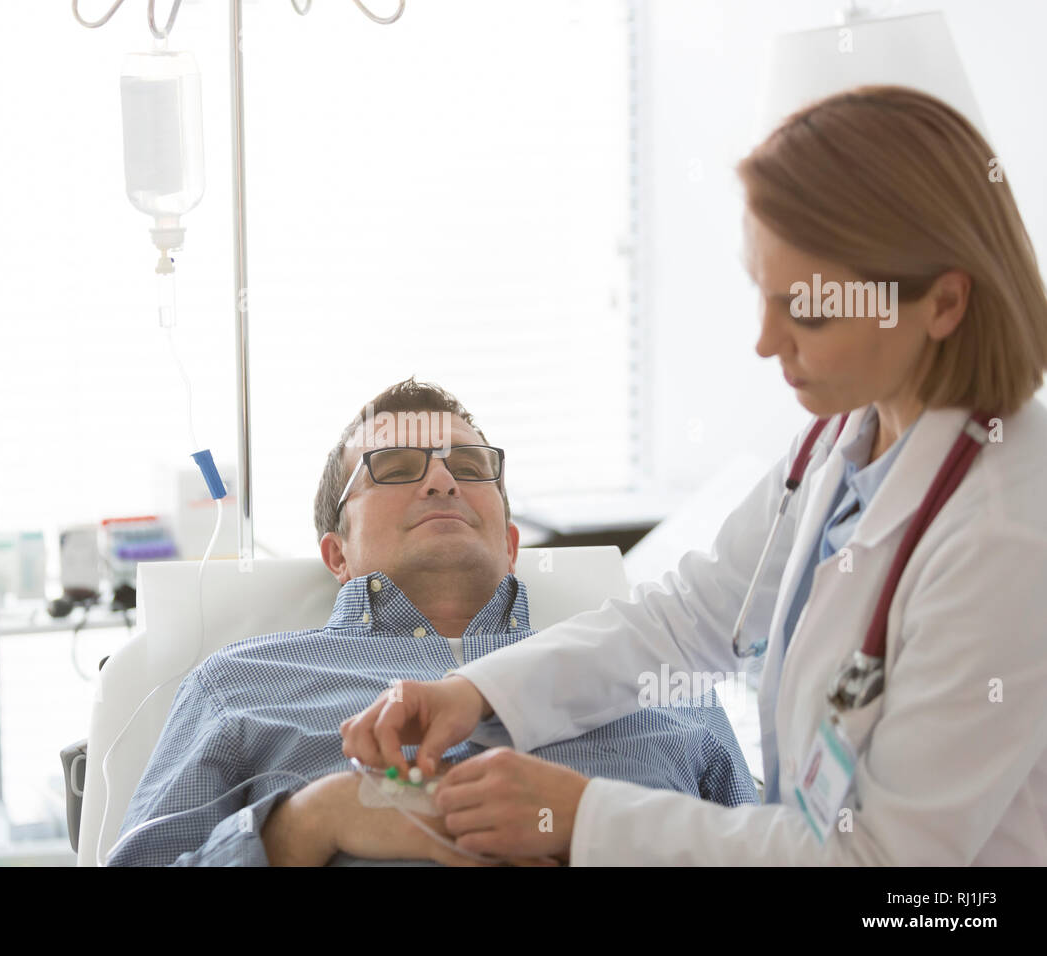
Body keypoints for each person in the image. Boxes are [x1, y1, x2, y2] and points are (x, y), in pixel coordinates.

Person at [340, 86, 1047, 865]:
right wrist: (473, 693)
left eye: (808, 312)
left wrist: (585, 815)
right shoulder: (842, 442)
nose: (766, 341)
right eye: (763, 294)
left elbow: (884, 862)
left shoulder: (1007, 535)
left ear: (943, 303)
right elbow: (687, 621)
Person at [111, 379, 757, 866]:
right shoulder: (239, 686)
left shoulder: (654, 676)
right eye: (394, 469)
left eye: (471, 468)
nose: (443, 480)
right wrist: (303, 825)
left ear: (509, 545)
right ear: (337, 553)